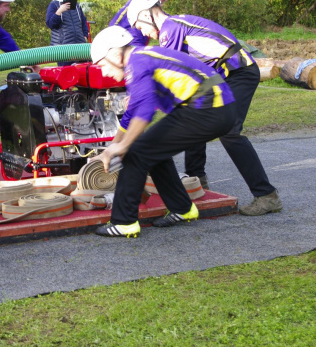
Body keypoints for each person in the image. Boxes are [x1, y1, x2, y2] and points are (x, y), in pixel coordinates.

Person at [125, 0, 282, 216]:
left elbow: (168, 69)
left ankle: (267, 196)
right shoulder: (174, 25)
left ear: (145, 14)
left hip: (239, 72)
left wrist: (140, 94)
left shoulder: (170, 28)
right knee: (193, 113)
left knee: (230, 133)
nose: (141, 32)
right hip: (224, 75)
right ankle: (197, 181)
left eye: (138, 26)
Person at [89, 26, 236, 238]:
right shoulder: (141, 58)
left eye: (102, 64)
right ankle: (183, 209)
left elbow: (146, 110)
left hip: (209, 109)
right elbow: (133, 112)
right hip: (214, 107)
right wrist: (113, 146)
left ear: (114, 53)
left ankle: (124, 222)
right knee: (152, 150)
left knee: (137, 152)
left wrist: (124, 146)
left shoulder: (137, 63)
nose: (104, 72)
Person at [45, 0, 89, 65]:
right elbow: (50, 24)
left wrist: (85, 36)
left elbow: (83, 22)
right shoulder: (53, 5)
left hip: (80, 47)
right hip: (63, 49)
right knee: (67, 76)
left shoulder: (76, 5)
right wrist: (59, 11)